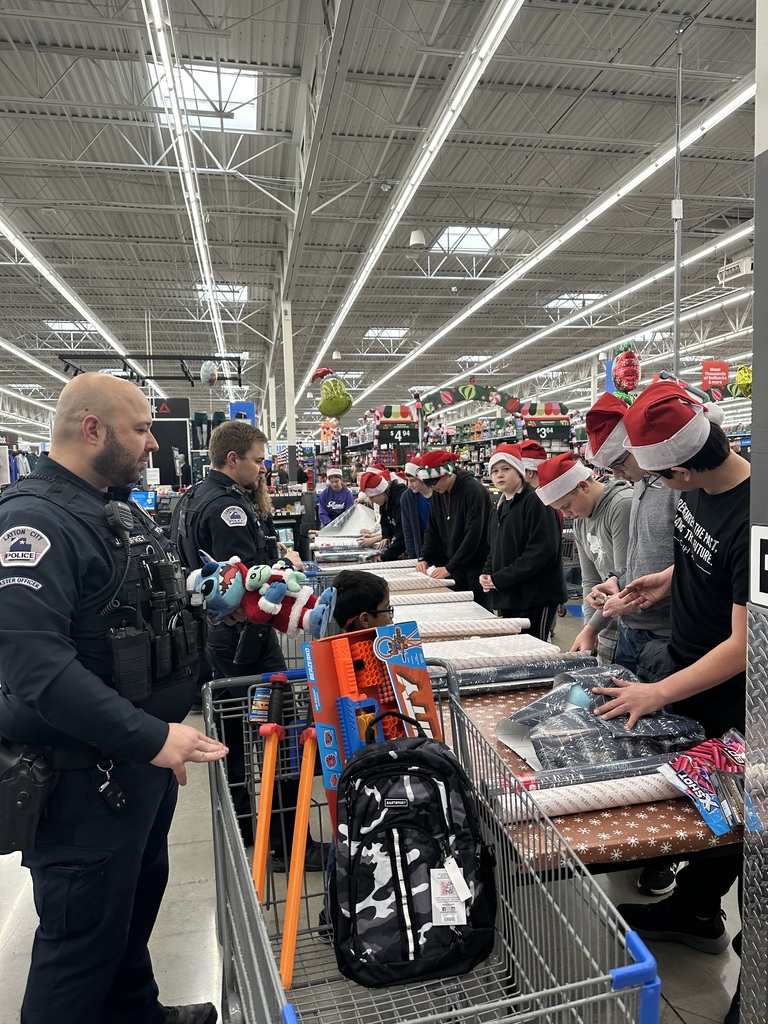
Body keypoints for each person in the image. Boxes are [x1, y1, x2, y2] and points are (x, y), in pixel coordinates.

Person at [0, 372, 226, 1024]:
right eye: (140, 429)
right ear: (91, 428)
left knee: (126, 917)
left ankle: (137, 1016)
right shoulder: (33, 521)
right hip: (82, 783)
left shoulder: (110, 508)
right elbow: (37, 669)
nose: (154, 444)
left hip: (129, 770)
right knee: (77, 951)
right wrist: (153, 737)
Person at [591, 380, 748, 1024]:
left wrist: (655, 691)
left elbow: (745, 643)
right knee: (701, 804)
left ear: (682, 465)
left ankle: (703, 909)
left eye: (661, 479)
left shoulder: (757, 514)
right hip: (690, 672)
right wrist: (666, 580)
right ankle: (695, 905)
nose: (655, 491)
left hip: (732, 694)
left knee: (732, 812)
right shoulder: (700, 494)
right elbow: (707, 561)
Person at [171, 421, 325, 870]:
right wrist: (284, 566)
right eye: (258, 461)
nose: (262, 470)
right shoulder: (227, 509)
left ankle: (246, 836)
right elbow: (246, 585)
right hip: (247, 637)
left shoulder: (192, 498)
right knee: (276, 733)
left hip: (216, 636)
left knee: (235, 738)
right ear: (232, 458)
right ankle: (285, 843)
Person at [584, 391, 678, 897]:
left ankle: (665, 856)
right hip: (635, 630)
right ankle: (631, 830)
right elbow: (642, 559)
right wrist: (617, 585)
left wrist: (653, 589)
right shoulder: (642, 488)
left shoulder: (675, 486)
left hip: (669, 637)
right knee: (624, 733)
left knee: (667, 742)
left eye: (623, 460)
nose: (621, 471)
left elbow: (697, 565)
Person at [537, 451, 632, 663]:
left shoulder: (621, 505)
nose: (567, 514)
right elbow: (590, 580)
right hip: (608, 621)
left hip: (633, 626)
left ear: (584, 486)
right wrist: (590, 628)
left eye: (567, 506)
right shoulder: (581, 519)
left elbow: (626, 575)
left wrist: (591, 629)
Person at [479, 443, 565, 640]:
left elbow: (541, 551)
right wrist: (487, 573)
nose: (499, 475)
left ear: (519, 471)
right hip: (509, 596)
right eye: (495, 471)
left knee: (536, 654)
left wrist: (500, 579)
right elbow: (494, 547)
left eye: (506, 469)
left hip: (536, 598)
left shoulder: (537, 501)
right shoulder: (499, 506)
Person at [416, 450, 493, 607]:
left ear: (446, 474)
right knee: (459, 609)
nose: (432, 488)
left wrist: (450, 567)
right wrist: (424, 557)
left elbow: (473, 535)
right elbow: (433, 529)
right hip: (455, 565)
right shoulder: (439, 492)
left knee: (478, 612)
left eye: (434, 484)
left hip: (477, 565)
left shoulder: (473, 490)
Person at [357, 469, 407, 561]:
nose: (372, 501)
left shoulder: (400, 501)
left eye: (372, 497)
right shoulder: (385, 501)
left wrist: (385, 557)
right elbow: (384, 521)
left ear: (381, 491)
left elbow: (402, 536)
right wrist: (386, 536)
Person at [401, 457, 431, 559]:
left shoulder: (439, 493)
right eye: (408, 481)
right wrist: (413, 557)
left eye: (412, 481)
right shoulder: (407, 498)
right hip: (421, 547)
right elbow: (408, 530)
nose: (409, 485)